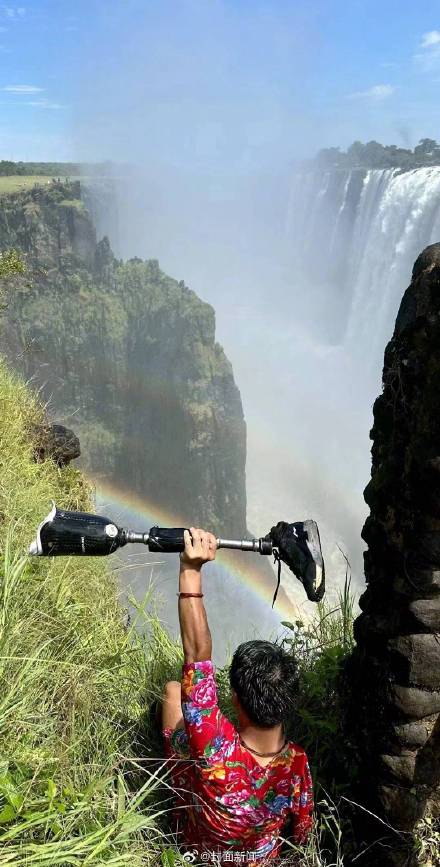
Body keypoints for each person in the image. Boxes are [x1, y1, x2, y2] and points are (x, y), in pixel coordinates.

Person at [160, 527, 314, 864]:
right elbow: (302, 831)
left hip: (194, 851)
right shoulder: (297, 765)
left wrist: (190, 568)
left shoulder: (213, 746)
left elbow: (197, 654)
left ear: (234, 698)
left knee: (174, 693)